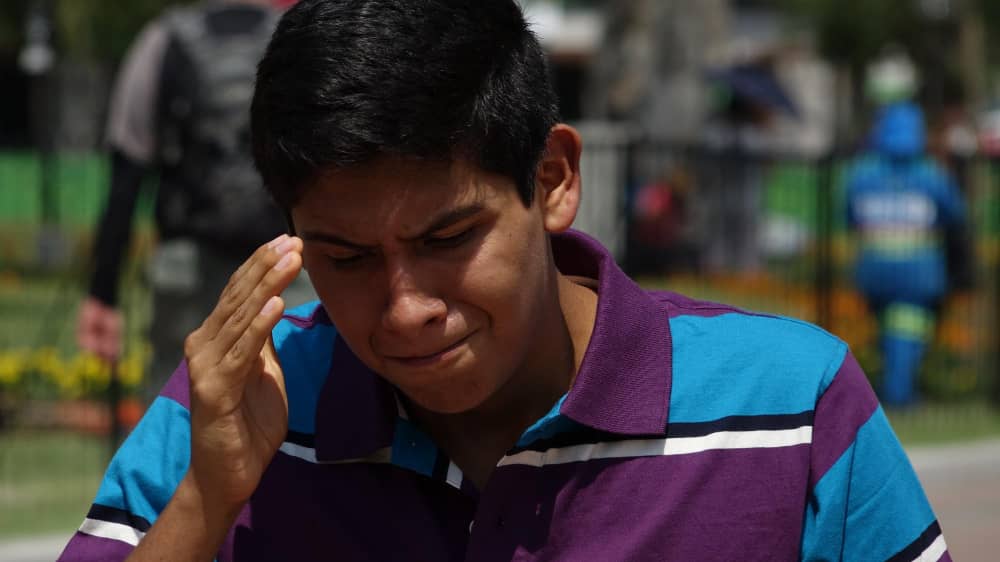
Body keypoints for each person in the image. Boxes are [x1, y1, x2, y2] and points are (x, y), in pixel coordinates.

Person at [60, 1, 948, 560]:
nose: (405, 309)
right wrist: (208, 501)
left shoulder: (791, 411)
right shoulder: (236, 404)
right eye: (347, 258)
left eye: (448, 236)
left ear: (554, 179)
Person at [75, 0, 311, 404]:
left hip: (186, 268)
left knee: (177, 404)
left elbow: (127, 175)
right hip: (283, 259)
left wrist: (103, 293)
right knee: (297, 396)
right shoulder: (297, 37)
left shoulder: (163, 41)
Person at [846, 102, 966, 407]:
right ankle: (900, 395)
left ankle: (890, 389)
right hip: (917, 273)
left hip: (872, 270)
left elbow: (848, 215)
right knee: (907, 331)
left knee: (888, 331)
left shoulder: (861, 173)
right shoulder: (930, 174)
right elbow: (954, 213)